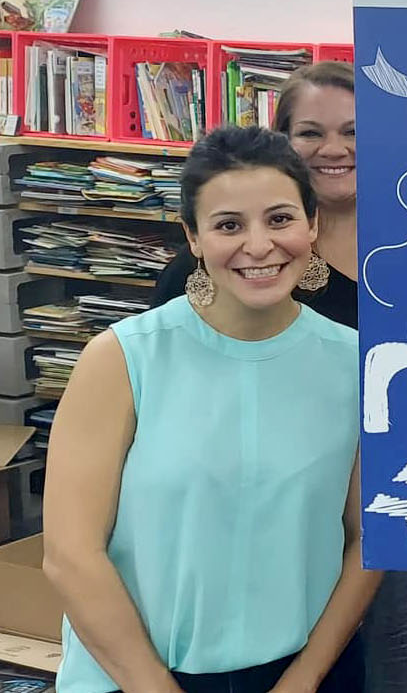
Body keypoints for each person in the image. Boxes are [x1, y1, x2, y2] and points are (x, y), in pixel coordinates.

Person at [149, 61, 407, 693]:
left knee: (398, 677)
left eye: (355, 130)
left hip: (403, 510)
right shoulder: (226, 261)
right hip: (267, 518)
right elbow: (165, 387)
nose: (334, 149)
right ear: (282, 143)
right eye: (311, 133)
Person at [43, 125, 377, 693]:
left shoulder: (356, 365)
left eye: (279, 218)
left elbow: (369, 538)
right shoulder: (124, 358)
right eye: (228, 225)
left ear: (313, 223)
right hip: (137, 677)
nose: (258, 245)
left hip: (303, 673)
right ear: (192, 237)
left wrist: (305, 677)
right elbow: (71, 555)